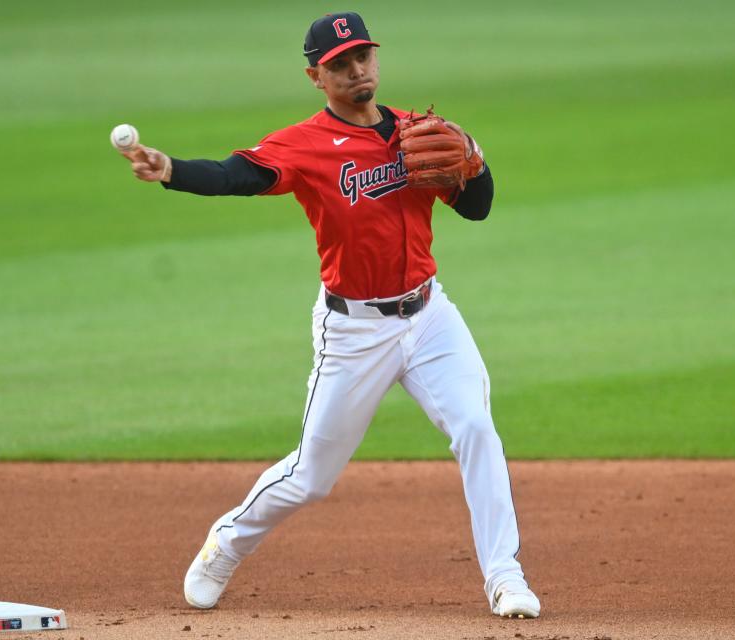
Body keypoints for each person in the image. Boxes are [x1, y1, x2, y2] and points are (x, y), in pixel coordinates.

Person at [121, 11, 540, 620]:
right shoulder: (303, 143)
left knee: (476, 429)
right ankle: (226, 543)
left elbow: (477, 209)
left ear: (375, 59)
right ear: (316, 75)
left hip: (429, 318)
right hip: (353, 331)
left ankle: (506, 578)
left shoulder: (419, 133)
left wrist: (474, 157)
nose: (356, 71)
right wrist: (174, 171)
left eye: (363, 58)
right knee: (311, 478)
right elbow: (237, 176)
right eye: (340, 65)